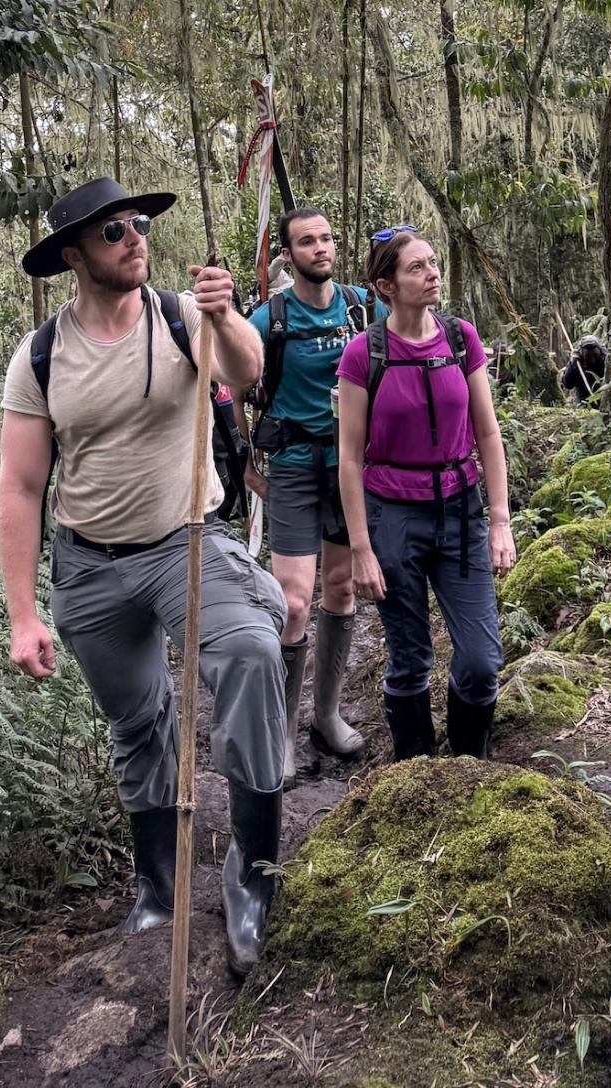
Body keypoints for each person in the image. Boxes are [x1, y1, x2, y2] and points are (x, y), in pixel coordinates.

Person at [0, 176, 283, 978]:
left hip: (185, 539)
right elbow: (20, 487)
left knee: (252, 654)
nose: (133, 238)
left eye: (136, 225)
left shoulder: (178, 316)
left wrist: (225, 316)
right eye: (113, 230)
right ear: (73, 256)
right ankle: (157, 887)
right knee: (139, 724)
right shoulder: (42, 357)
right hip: (90, 564)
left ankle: (254, 874)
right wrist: (24, 614)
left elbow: (246, 372)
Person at [335, 228, 516, 759]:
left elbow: (488, 434)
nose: (432, 273)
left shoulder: (460, 339)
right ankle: (414, 772)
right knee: (410, 657)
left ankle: (467, 766)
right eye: (417, 267)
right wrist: (361, 549)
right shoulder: (363, 355)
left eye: (433, 263)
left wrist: (500, 521)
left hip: (461, 512)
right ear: (385, 286)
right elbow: (349, 457)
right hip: (392, 517)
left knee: (482, 661)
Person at [245, 209, 387, 786]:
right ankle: (280, 729)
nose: (320, 248)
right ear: (287, 255)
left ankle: (326, 715)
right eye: (307, 241)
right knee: (294, 601)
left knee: (340, 587)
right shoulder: (268, 318)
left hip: (349, 467)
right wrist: (245, 466)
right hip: (295, 466)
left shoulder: (360, 309)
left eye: (327, 237)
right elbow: (230, 384)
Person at [560, 335, 605, 405]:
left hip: (603, 398)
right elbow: (568, 384)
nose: (591, 357)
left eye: (594, 353)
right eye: (588, 354)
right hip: (583, 400)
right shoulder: (577, 362)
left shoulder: (605, 359)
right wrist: (572, 365)